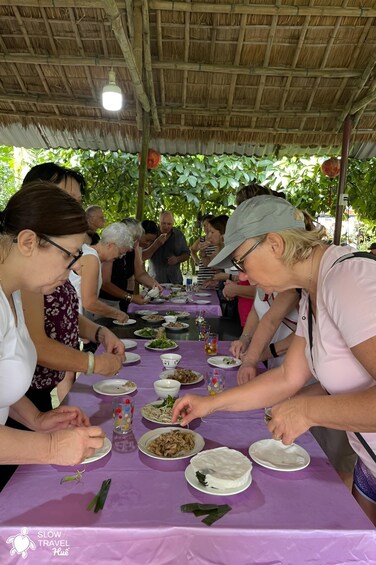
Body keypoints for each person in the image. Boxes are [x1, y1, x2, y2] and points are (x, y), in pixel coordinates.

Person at [172, 195, 376, 524]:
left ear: (275, 244)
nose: (247, 278)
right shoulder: (314, 290)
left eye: (242, 262)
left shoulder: (348, 279)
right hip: (369, 461)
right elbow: (287, 379)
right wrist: (210, 404)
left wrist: (308, 410)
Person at [0, 182, 104, 482]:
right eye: (68, 256)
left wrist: (36, 419)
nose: (72, 270)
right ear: (29, 242)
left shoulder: (15, 294)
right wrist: (51, 447)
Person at [19, 164, 125, 410]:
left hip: (36, 394)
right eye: (68, 199)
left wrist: (99, 333)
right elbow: (37, 343)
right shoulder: (25, 260)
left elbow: (63, 313)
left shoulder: (54, 254)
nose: (76, 210)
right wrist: (95, 364)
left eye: (78, 202)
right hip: (23, 392)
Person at [69, 223, 133, 321]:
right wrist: (117, 314)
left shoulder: (89, 252)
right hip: (72, 317)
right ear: (110, 245)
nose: (120, 257)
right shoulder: (91, 258)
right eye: (120, 253)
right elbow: (89, 303)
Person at [99, 218, 162, 311]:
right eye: (133, 239)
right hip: (103, 301)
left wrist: (154, 284)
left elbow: (140, 273)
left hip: (119, 301)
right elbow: (105, 283)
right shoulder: (110, 250)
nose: (134, 243)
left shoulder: (133, 248)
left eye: (136, 240)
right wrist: (130, 297)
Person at [147, 211, 190, 284]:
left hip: (175, 281)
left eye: (169, 224)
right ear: (159, 222)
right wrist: (156, 244)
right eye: (163, 223)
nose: (166, 226)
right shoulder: (152, 233)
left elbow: (187, 254)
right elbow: (143, 254)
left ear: (173, 223)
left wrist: (177, 259)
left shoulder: (179, 235)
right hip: (155, 281)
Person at [189, 214, 217, 286]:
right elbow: (192, 250)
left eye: (208, 225)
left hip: (215, 278)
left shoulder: (218, 240)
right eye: (204, 225)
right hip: (202, 276)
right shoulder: (202, 239)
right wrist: (198, 262)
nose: (206, 228)